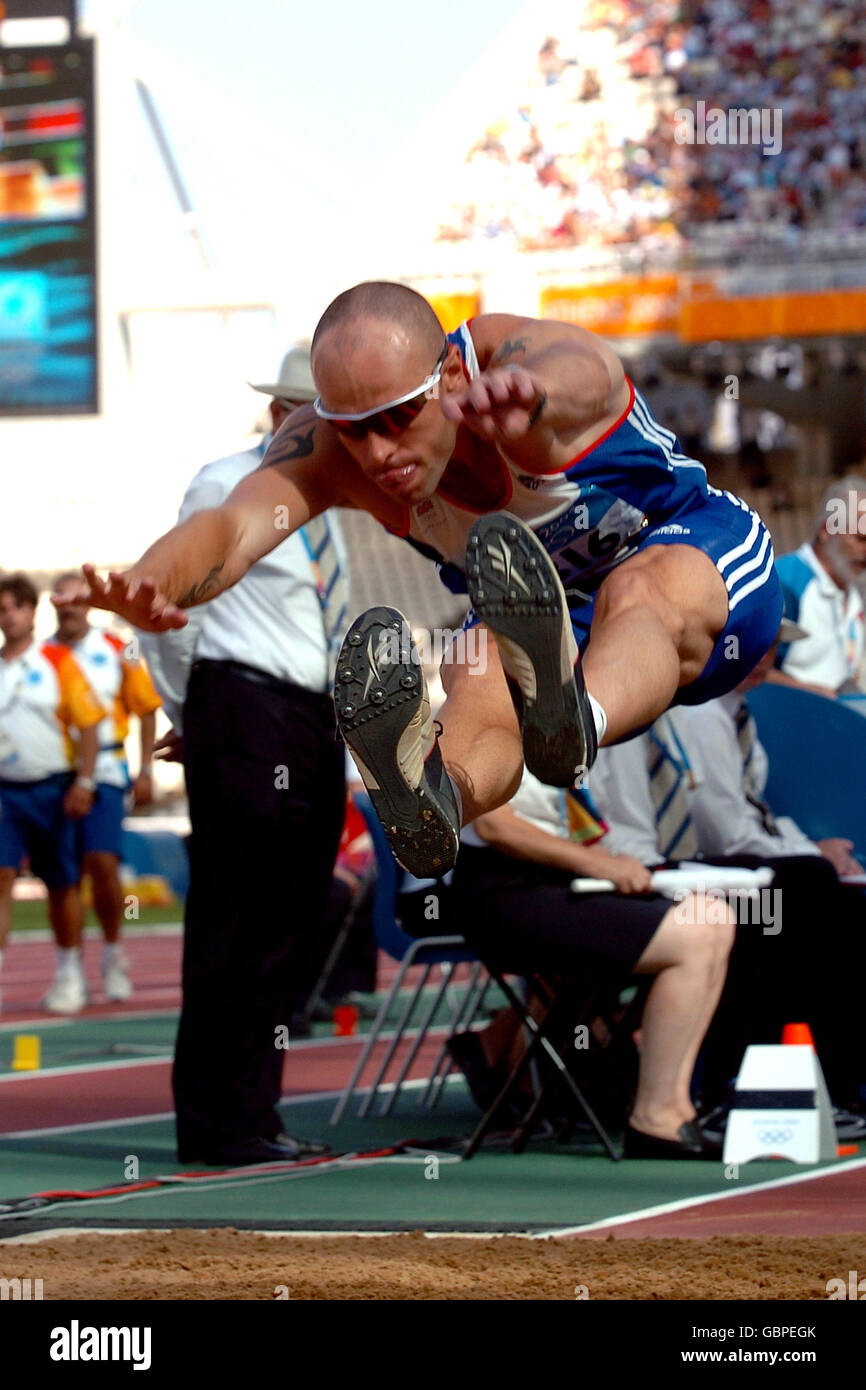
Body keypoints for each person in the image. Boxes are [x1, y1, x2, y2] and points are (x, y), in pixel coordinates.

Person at [58, 282, 782, 883]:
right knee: (479, 673)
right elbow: (232, 528)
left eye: (400, 418)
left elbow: (587, 368)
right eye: (353, 429)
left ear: (455, 379)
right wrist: (152, 582)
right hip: (548, 614)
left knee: (639, 592)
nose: (379, 455)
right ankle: (436, 803)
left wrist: (531, 399)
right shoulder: (329, 450)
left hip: (701, 567)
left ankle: (573, 723)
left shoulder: (510, 362)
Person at [138, 346, 348, 1166]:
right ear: (279, 416)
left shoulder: (348, 505)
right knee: (235, 917)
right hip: (243, 703)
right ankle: (217, 1121)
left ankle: (257, 1111)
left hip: (318, 713)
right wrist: (191, 713)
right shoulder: (224, 481)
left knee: (295, 918)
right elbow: (166, 612)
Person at [590, 636, 866, 1132]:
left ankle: (823, 1084)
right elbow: (720, 829)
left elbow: (748, 818)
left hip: (676, 866)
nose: (765, 659)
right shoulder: (660, 721)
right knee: (783, 905)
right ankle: (741, 1087)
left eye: (773, 649)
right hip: (635, 872)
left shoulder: (685, 717)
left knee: (810, 900)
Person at [439, 768, 735, 1158]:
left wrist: (607, 860)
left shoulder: (546, 722)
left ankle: (674, 1107)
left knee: (714, 917)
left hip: (559, 880)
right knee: (695, 932)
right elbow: (496, 827)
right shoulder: (476, 715)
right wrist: (598, 864)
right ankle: (652, 1115)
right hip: (504, 893)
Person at [51, 575, 162, 1002]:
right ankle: (69, 968)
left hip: (108, 770)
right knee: (63, 874)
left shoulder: (119, 648)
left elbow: (148, 707)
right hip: (55, 773)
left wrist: (146, 768)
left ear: (87, 604)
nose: (68, 609)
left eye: (75, 601)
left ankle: (113, 952)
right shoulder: (41, 654)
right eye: (60, 602)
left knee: (102, 864)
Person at [0, 573, 104, 1014]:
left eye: (16, 607)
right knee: (0, 879)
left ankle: (70, 972)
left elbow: (89, 723)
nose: (9, 617)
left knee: (61, 883)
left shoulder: (56, 660)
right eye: (1, 610)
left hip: (53, 787)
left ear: (31, 610)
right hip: (5, 791)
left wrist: (84, 781)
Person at [769, 475, 866, 697]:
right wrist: (813, 694)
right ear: (826, 530)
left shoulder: (851, 590)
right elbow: (746, 671)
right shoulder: (785, 583)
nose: (865, 551)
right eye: (860, 539)